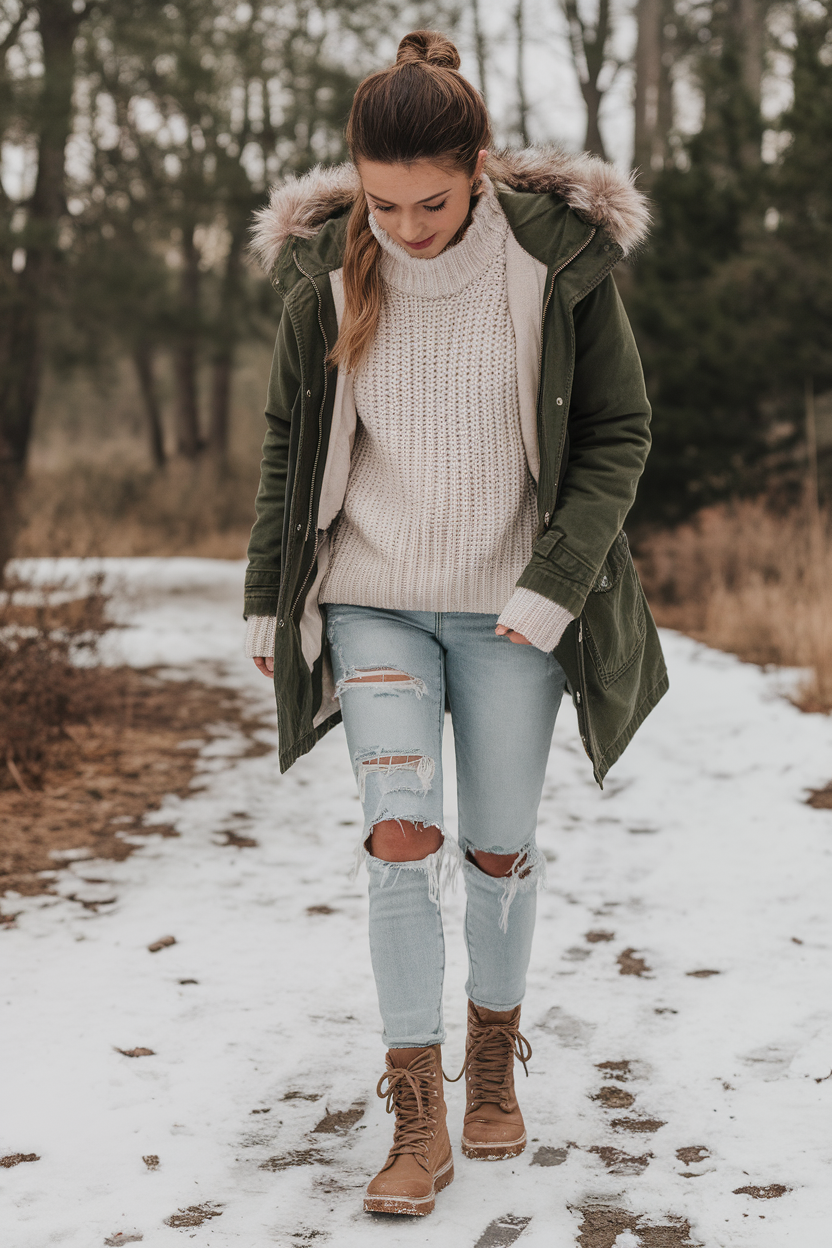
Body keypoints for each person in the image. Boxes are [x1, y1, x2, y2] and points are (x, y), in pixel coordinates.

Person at [244, 30, 668, 1218]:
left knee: (494, 849)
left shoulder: (556, 264)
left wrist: (555, 583)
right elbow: (288, 439)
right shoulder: (326, 268)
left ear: (478, 167)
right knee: (398, 837)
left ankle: (492, 1054)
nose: (408, 227)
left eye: (431, 203)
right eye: (384, 203)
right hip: (371, 599)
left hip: (510, 615)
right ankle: (415, 1108)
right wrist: (261, 594)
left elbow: (616, 436)